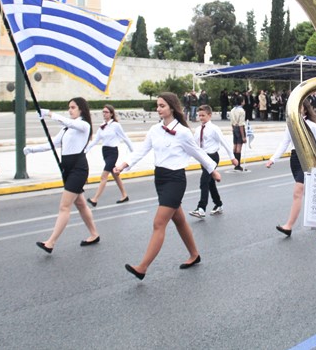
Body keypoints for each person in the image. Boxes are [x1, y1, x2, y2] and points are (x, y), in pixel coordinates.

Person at [114, 92, 221, 280]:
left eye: (162, 105)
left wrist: (212, 169)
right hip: (160, 178)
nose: (158, 109)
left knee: (159, 223)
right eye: (157, 106)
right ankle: (194, 255)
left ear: (171, 107)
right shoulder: (155, 130)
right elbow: (141, 150)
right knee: (179, 220)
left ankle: (143, 267)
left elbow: (198, 153)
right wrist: (124, 164)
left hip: (175, 180)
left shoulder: (183, 132)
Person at [24, 97, 100, 253]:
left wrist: (50, 114)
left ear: (81, 109)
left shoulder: (83, 125)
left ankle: (50, 242)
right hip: (67, 169)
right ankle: (94, 234)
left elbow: (69, 122)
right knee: (80, 204)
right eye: (69, 107)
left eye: (73, 107)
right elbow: (53, 144)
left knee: (64, 206)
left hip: (78, 169)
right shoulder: (66, 129)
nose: (70, 110)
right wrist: (31, 149)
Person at [266, 100, 316, 237]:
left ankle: (288, 226)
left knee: (298, 192)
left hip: (307, 158)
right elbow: (285, 142)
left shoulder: (312, 126)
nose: (297, 110)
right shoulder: (290, 125)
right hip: (295, 159)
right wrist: (273, 159)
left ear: (305, 109)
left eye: (300, 107)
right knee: (309, 192)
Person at [189, 104, 238, 219]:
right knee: (210, 183)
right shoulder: (198, 129)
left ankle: (201, 208)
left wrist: (232, 157)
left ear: (209, 115)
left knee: (204, 181)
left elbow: (224, 142)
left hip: (212, 157)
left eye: (203, 115)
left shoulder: (214, 129)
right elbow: (194, 145)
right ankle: (218, 204)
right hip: (203, 158)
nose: (201, 118)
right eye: (199, 115)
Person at [84, 104, 135, 207]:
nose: (104, 114)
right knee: (115, 175)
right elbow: (96, 140)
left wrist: (133, 151)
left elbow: (125, 138)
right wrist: (85, 149)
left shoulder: (116, 125)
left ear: (111, 114)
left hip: (112, 152)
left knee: (104, 176)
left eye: (106, 112)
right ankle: (124, 195)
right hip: (105, 152)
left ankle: (95, 199)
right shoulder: (102, 126)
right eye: (103, 112)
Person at [230, 95, 247, 171]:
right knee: (239, 146)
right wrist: (243, 136)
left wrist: (233, 129)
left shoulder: (232, 110)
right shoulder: (241, 111)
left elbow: (231, 122)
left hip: (234, 127)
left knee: (235, 145)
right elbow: (241, 124)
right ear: (241, 102)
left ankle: (235, 163)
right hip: (240, 128)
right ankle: (238, 164)